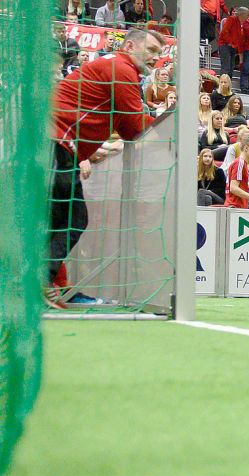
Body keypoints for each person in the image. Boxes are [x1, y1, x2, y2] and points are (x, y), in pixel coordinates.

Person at [48, 28, 163, 308]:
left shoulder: (117, 68)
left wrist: (94, 149)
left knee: (57, 221)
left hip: (58, 145)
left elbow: (125, 129)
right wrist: (167, 129)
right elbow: (135, 128)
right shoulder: (122, 68)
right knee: (73, 219)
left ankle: (50, 284)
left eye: (159, 55)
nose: (155, 59)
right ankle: (40, 279)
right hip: (55, 143)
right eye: (150, 51)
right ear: (131, 45)